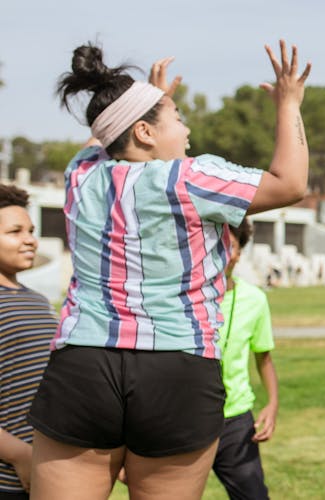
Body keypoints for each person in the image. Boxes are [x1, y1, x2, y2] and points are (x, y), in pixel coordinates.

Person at [27, 40, 310, 500]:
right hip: (176, 365)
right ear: (143, 131)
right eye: (177, 117)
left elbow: (103, 135)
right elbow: (291, 183)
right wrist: (290, 104)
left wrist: (145, 98)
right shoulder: (190, 177)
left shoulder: (81, 174)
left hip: (83, 363)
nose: (187, 126)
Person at [212, 218, 278, 500]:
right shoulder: (179, 300)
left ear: (239, 253)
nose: (222, 253)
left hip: (235, 420)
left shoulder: (255, 300)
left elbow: (263, 358)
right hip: (185, 418)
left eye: (230, 245)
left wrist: (272, 403)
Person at [0, 184, 57, 499]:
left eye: (31, 231)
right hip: (9, 474)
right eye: (15, 231)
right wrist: (18, 455)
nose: (30, 240)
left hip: (44, 468)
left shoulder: (38, 301)